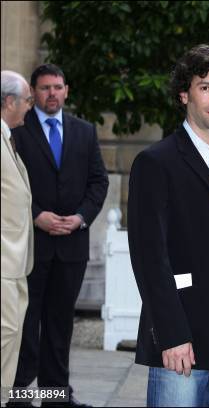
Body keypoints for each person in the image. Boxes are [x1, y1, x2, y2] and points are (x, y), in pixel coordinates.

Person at [128, 44, 209, 407]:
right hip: (181, 337)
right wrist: (170, 335)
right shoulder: (156, 163)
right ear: (184, 94)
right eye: (205, 87)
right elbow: (150, 258)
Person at [10, 64, 108, 407]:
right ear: (33, 93)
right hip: (30, 246)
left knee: (60, 325)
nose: (52, 93)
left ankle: (55, 397)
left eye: (57, 87)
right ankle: (19, 396)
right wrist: (35, 216)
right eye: (44, 88)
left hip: (71, 245)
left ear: (67, 90)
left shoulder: (84, 131)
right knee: (25, 322)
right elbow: (10, 186)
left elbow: (99, 181)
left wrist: (81, 217)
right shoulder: (17, 131)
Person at [1, 70, 34, 389]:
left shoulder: (7, 138)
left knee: (10, 338)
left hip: (15, 265)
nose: (30, 106)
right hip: (3, 265)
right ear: (9, 102)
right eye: (27, 100)